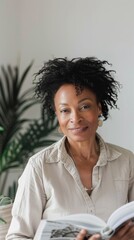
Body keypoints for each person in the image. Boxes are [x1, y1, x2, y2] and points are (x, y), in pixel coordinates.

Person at [6, 57, 134, 240]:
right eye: (65, 110)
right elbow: (17, 236)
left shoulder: (126, 161)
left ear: (99, 108)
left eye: (84, 106)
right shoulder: (39, 167)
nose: (75, 118)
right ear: (57, 115)